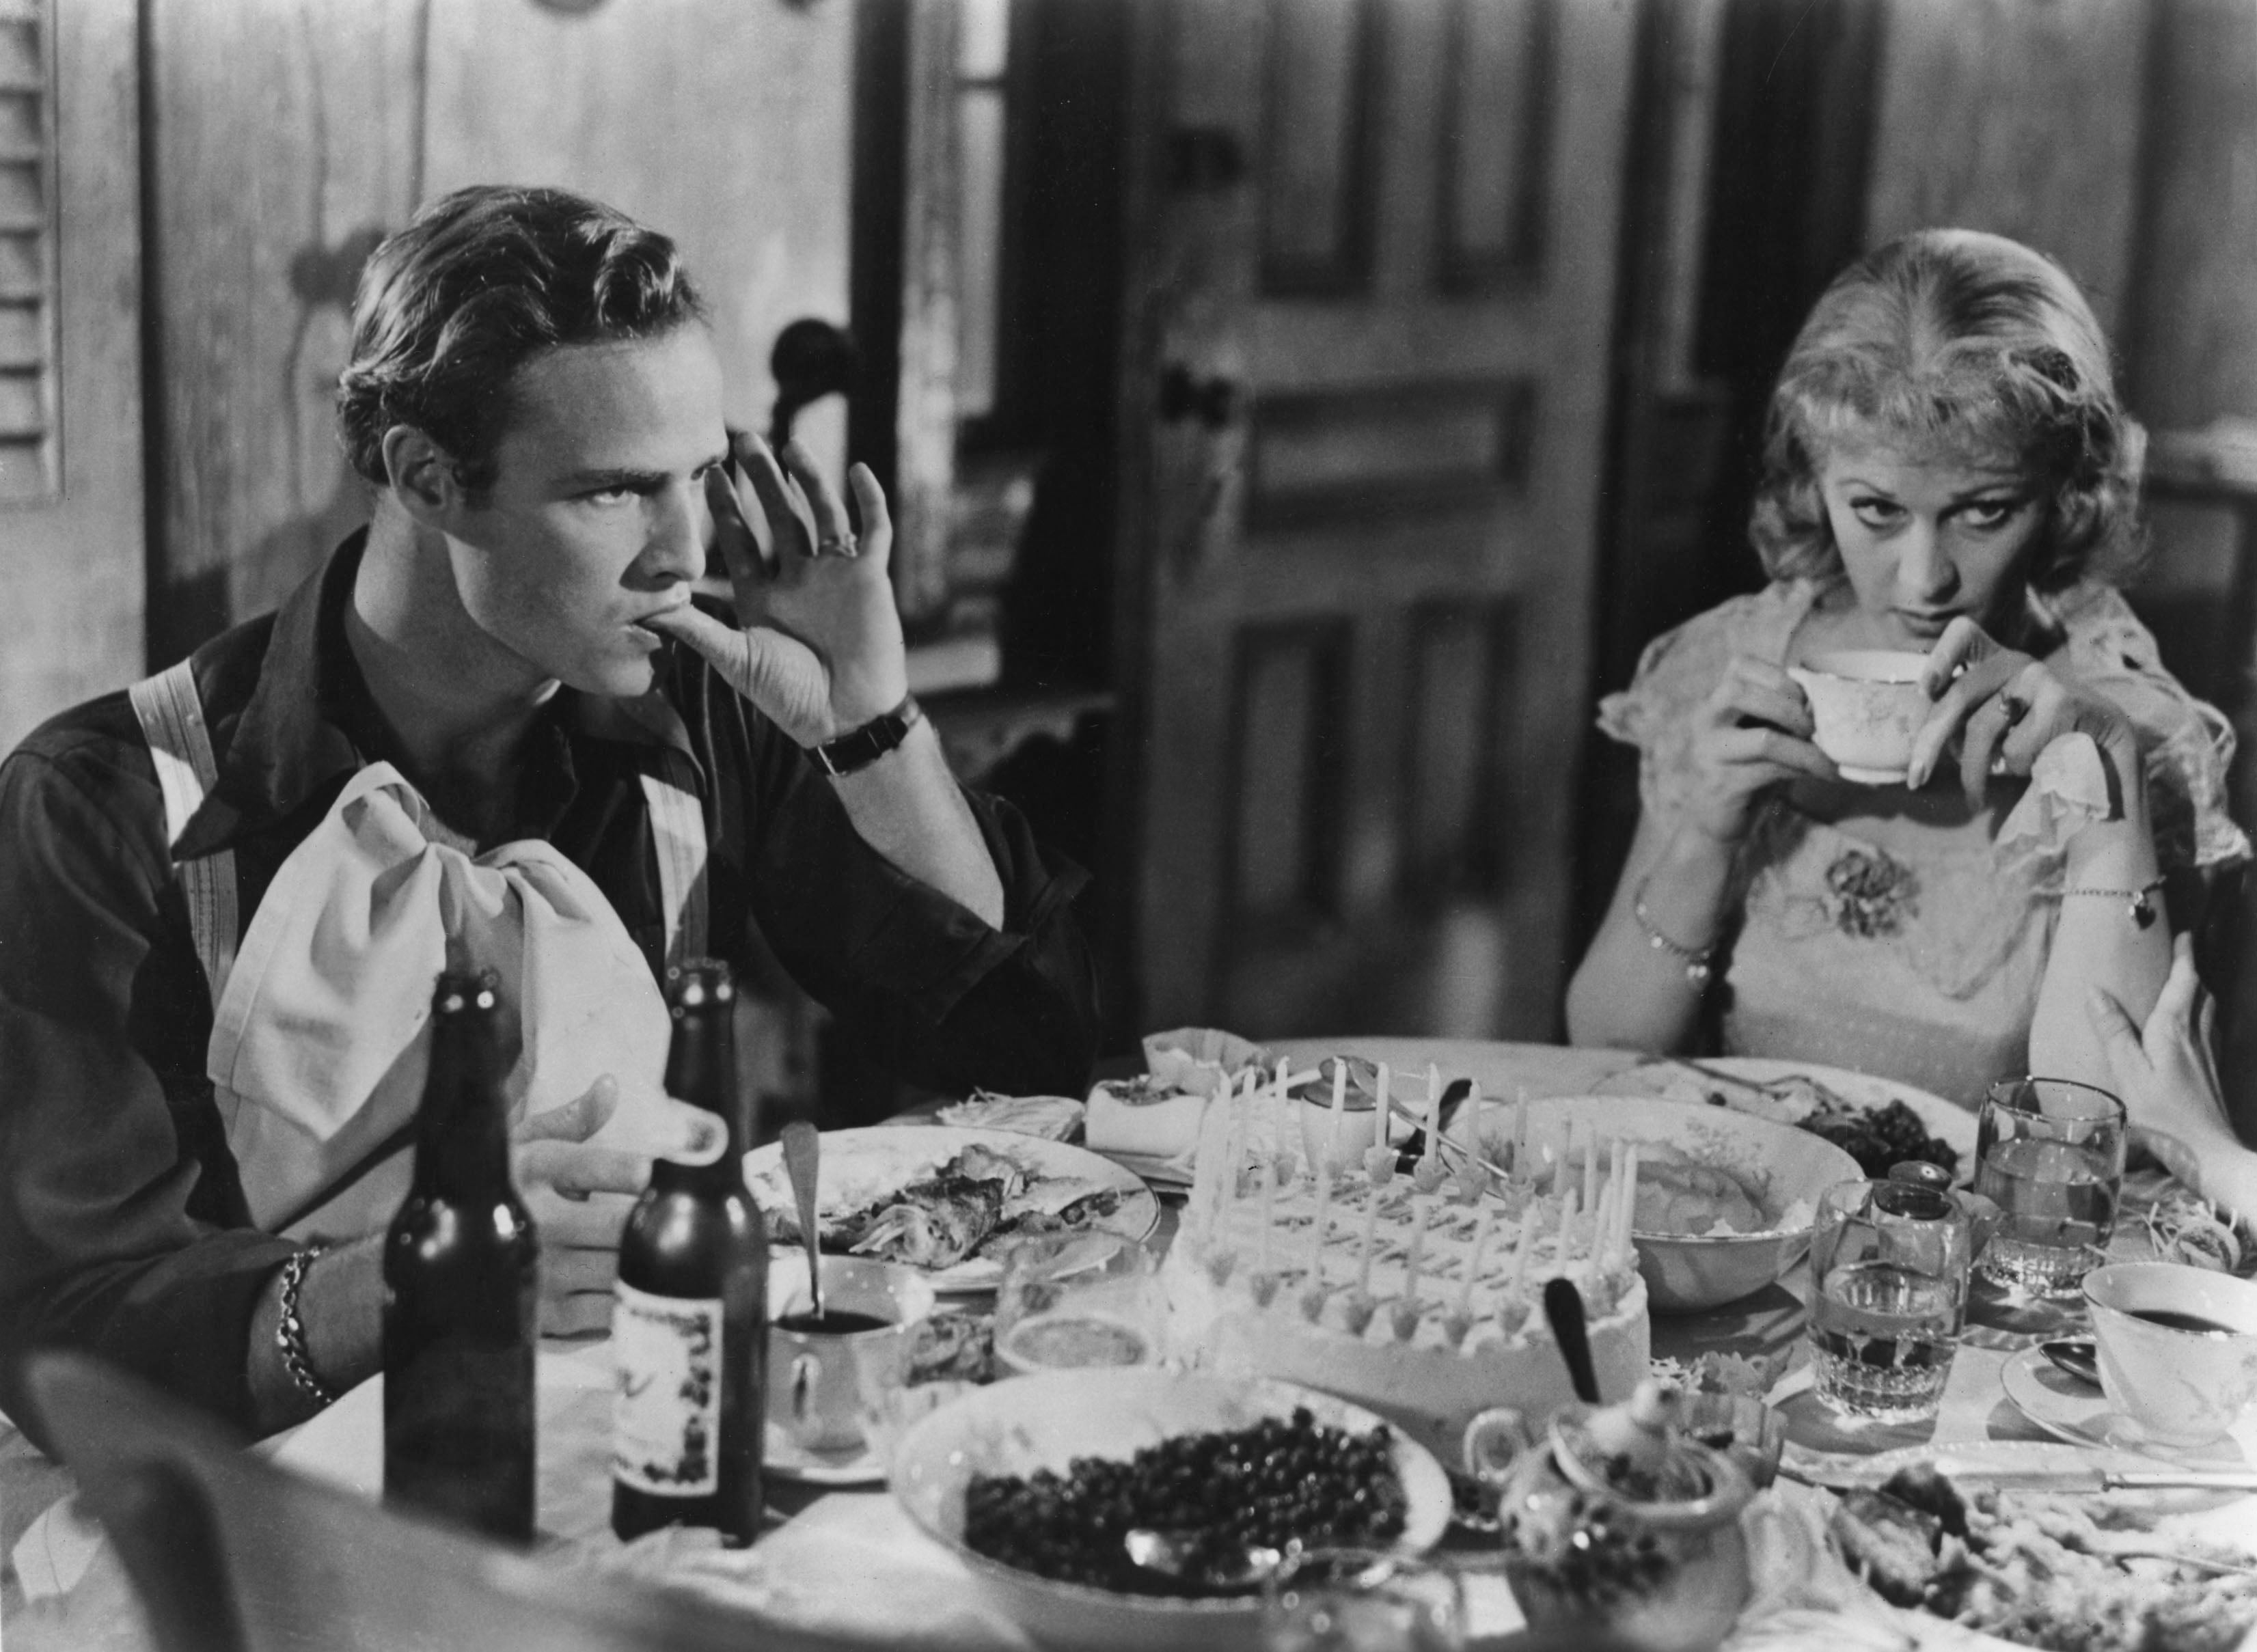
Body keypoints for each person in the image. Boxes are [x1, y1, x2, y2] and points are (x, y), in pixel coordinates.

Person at [0, 185, 1100, 1440]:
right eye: (612, 493)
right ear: (424, 474)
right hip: (257, 1534)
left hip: (627, 1455)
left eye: (700, 475)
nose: (685, 552)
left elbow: (1029, 1071)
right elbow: (69, 1340)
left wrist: (872, 730)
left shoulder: (702, 715)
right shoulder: (106, 811)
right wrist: (431, 1267)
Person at [1568, 228, 2247, 1110]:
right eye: (1877, 509)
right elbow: (1607, 1043)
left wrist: (2106, 813)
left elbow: (2113, 1127)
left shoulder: (2131, 732)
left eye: (1985, 510)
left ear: (2066, 496)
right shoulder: (1734, 668)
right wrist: (1703, 836)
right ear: (1815, 482)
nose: (1926, 580)